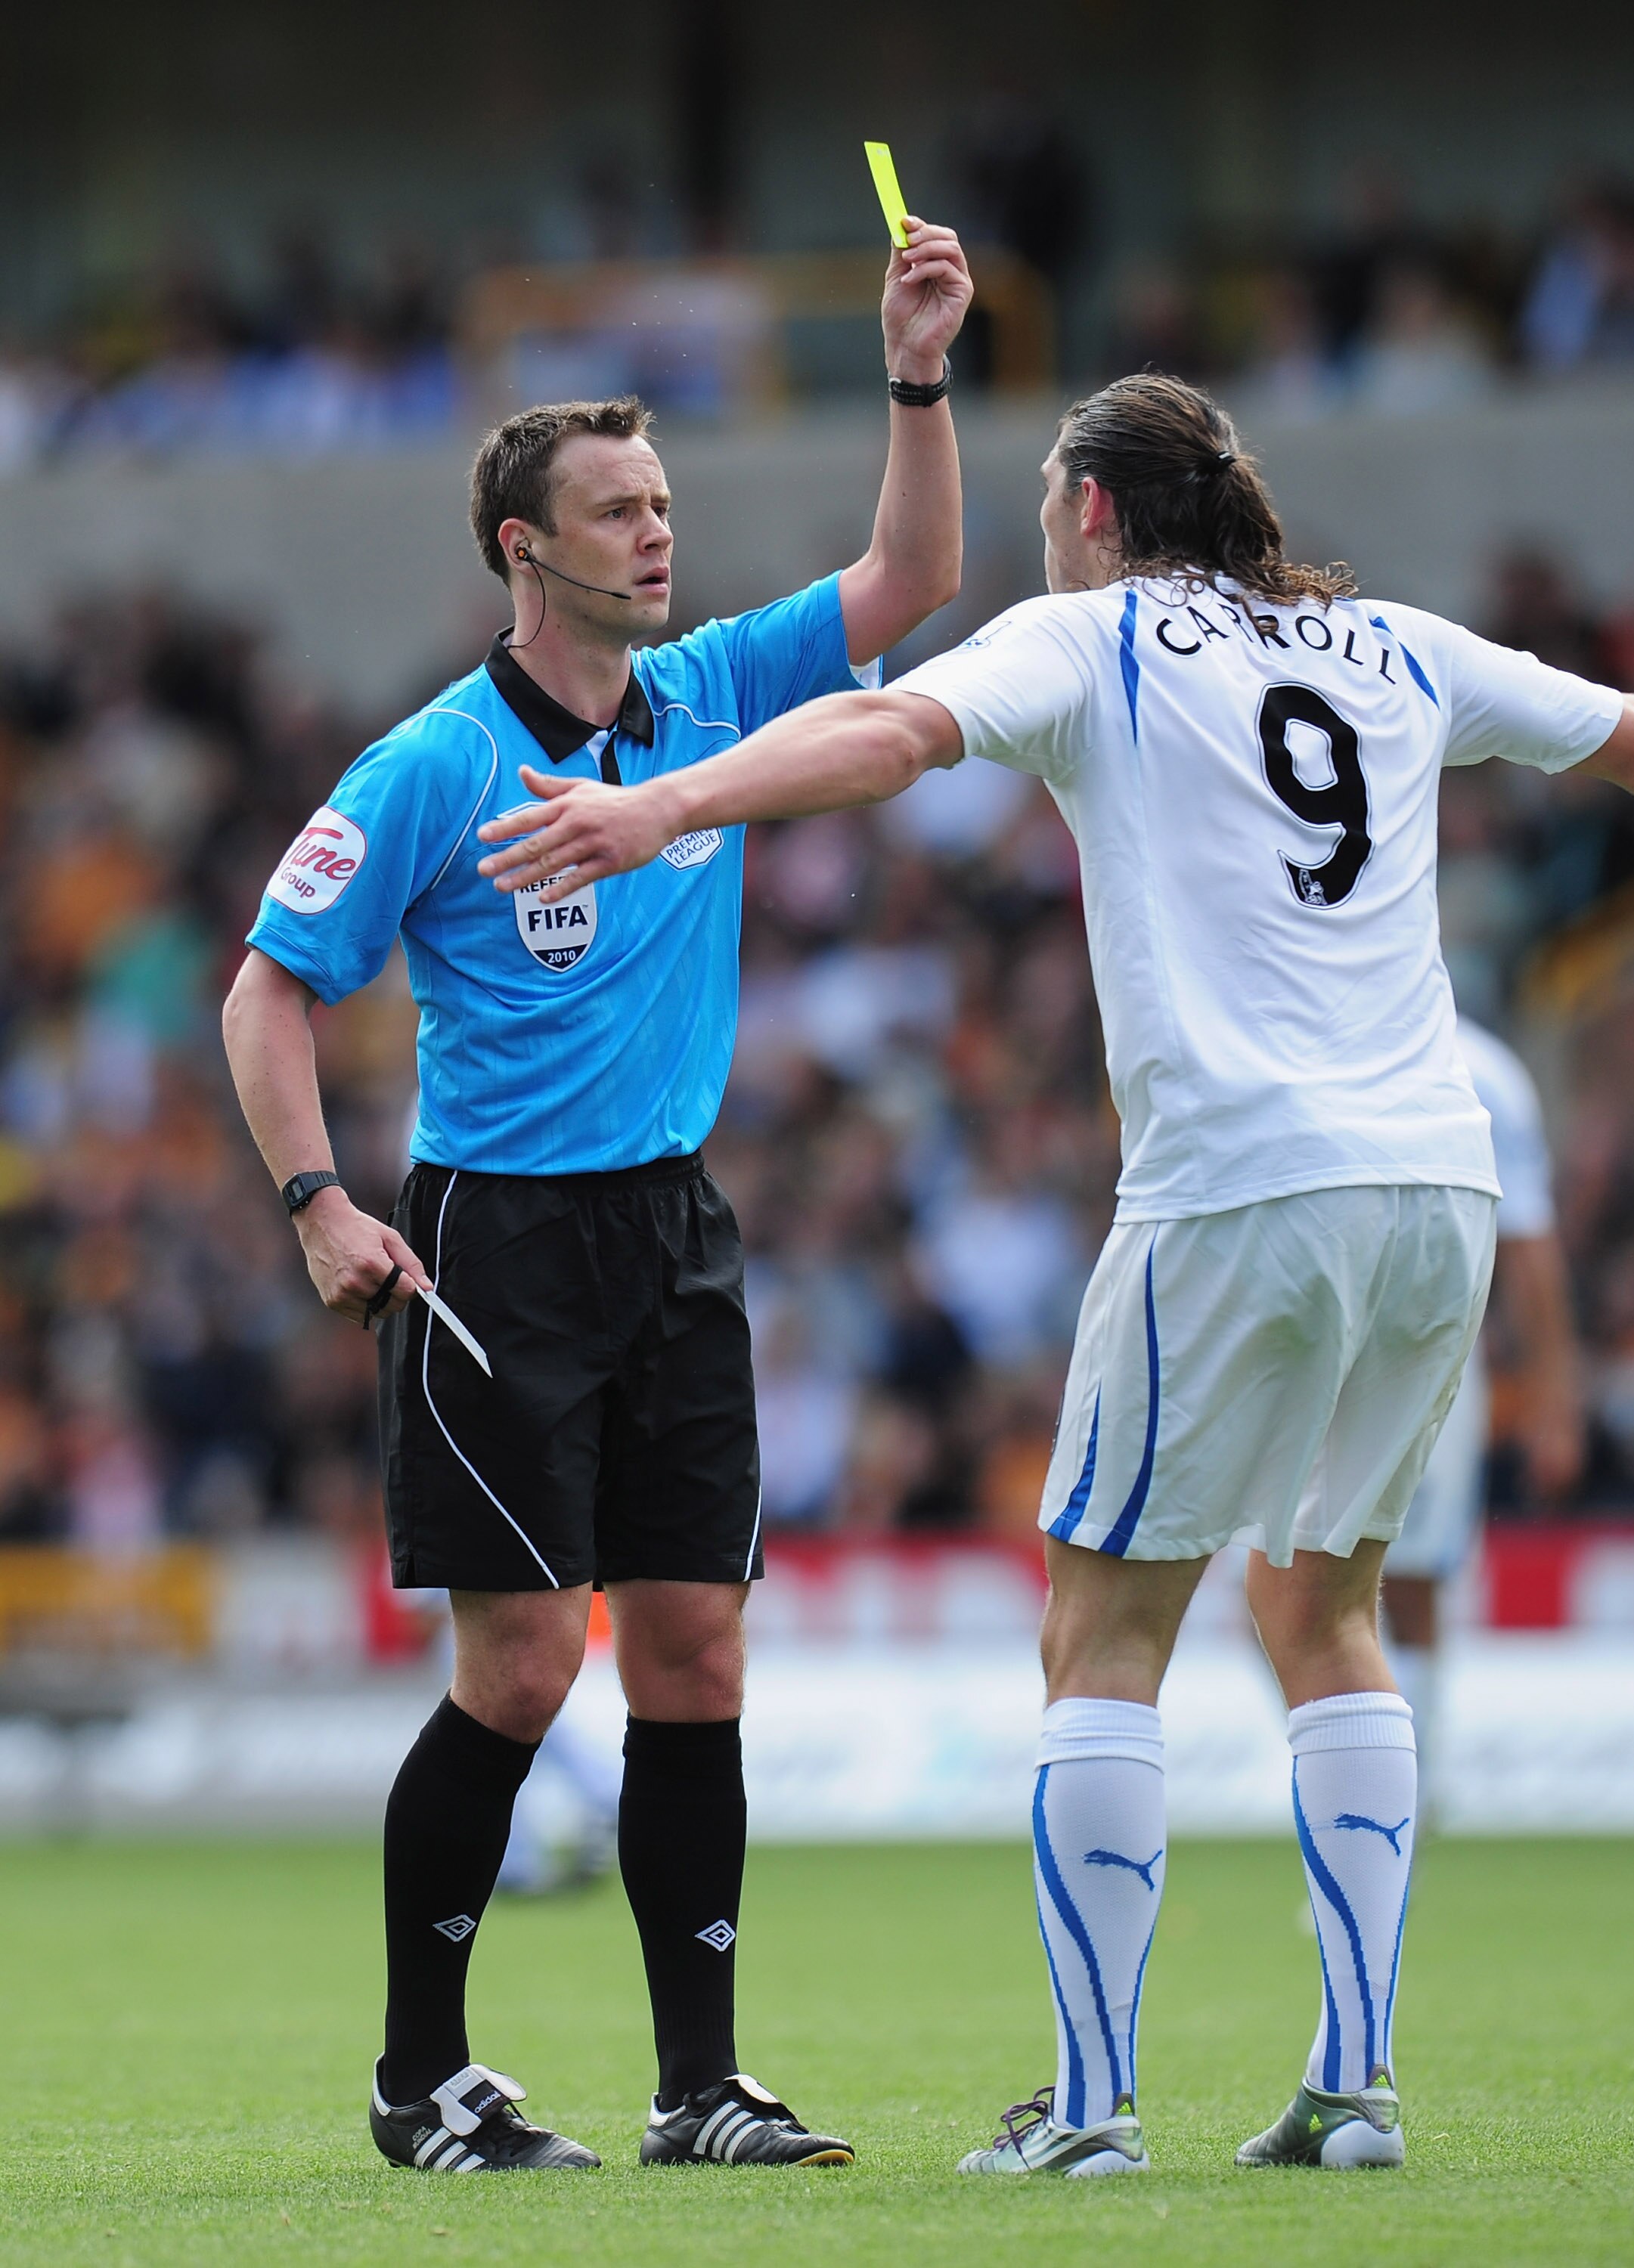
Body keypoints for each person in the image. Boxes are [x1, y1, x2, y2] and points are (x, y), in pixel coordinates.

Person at [473, 372, 1634, 2177]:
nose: (1038, 524)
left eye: (1045, 493)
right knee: (1324, 1606)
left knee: (1101, 1626)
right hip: (1435, 1181)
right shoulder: (1388, 641)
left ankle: (1091, 2108)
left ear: (1098, 510)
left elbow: (885, 737)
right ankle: (1355, 2085)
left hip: (1242, 1185)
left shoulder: (1091, 636)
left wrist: (671, 805)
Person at [220, 217, 973, 2174]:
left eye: (663, 503)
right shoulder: (428, 766)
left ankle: (698, 2085)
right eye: (619, 510)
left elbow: (915, 576)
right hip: (497, 1249)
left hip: (671, 1233)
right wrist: (317, 1197)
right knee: (525, 1668)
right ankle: (420, 2082)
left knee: (697, 1657)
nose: (659, 535)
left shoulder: (713, 689)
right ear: (521, 547)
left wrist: (917, 374)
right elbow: (266, 987)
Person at [1382, 1017, 1583, 1782]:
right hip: (1306, 1360)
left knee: (1406, 1588)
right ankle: (1376, 1783)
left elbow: (1529, 1251)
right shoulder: (1307, 1032)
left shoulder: (1480, 1072)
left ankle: (1404, 1798)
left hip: (1423, 1361)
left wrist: (1553, 1402)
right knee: (1268, 1608)